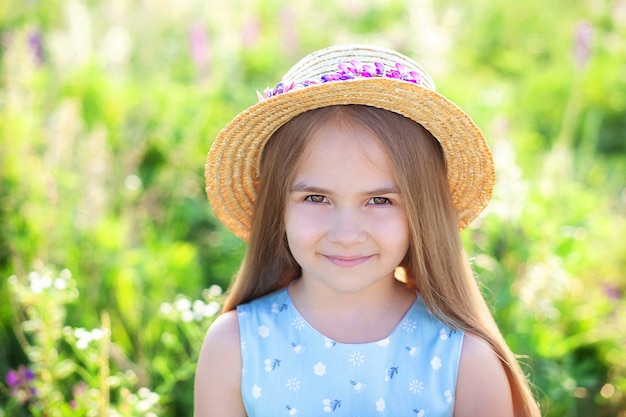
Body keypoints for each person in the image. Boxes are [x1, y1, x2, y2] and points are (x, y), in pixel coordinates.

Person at [195, 44, 541, 417]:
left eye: (379, 201)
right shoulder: (236, 347)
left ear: (421, 211)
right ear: (277, 205)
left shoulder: (464, 360)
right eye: (315, 198)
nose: (346, 234)